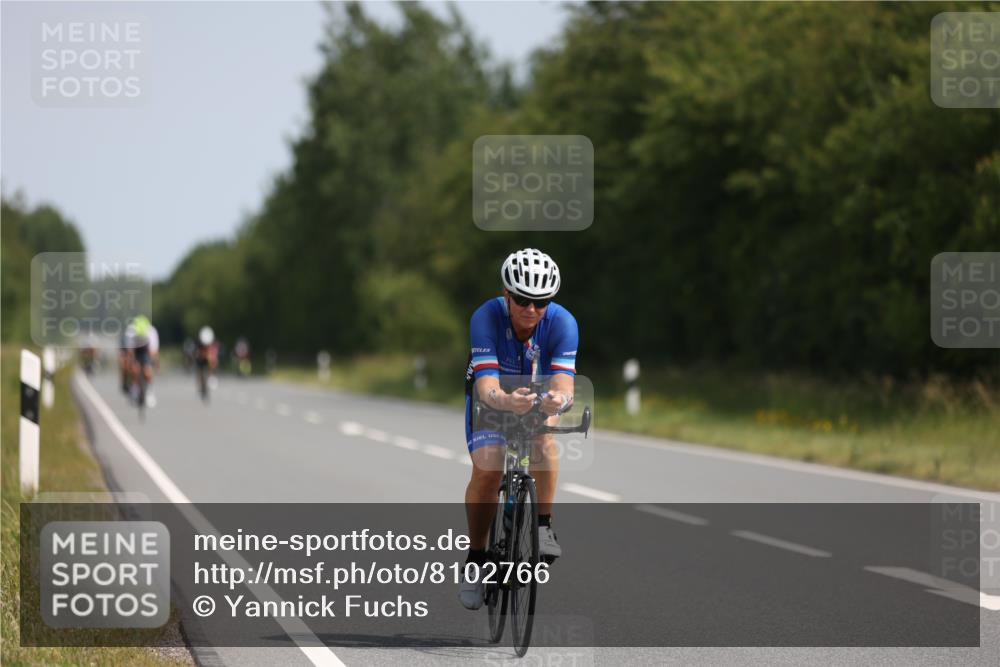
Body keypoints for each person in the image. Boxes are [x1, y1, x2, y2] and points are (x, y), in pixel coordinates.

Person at [459, 248, 578, 610]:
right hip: (490, 395)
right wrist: (507, 401)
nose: (531, 310)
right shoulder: (486, 317)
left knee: (544, 436)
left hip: (536, 395)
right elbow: (486, 387)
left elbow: (564, 386)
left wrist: (557, 404)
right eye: (523, 300)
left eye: (540, 302)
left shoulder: (562, 323)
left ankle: (543, 525)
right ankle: (476, 559)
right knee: (490, 468)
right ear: (507, 294)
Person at [123, 315, 160, 406]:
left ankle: (149, 392)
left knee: (148, 371)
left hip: (146, 351)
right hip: (135, 350)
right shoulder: (130, 332)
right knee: (135, 370)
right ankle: (135, 389)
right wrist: (130, 365)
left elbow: (154, 352)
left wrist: (153, 364)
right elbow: (129, 352)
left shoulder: (151, 332)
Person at [195, 326, 219, 400]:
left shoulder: (213, 343)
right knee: (200, 372)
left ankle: (211, 376)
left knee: (213, 362)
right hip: (200, 359)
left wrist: (212, 359)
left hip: (209, 358)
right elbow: (197, 354)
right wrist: (203, 355)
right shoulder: (199, 343)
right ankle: (201, 385)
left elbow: (214, 354)